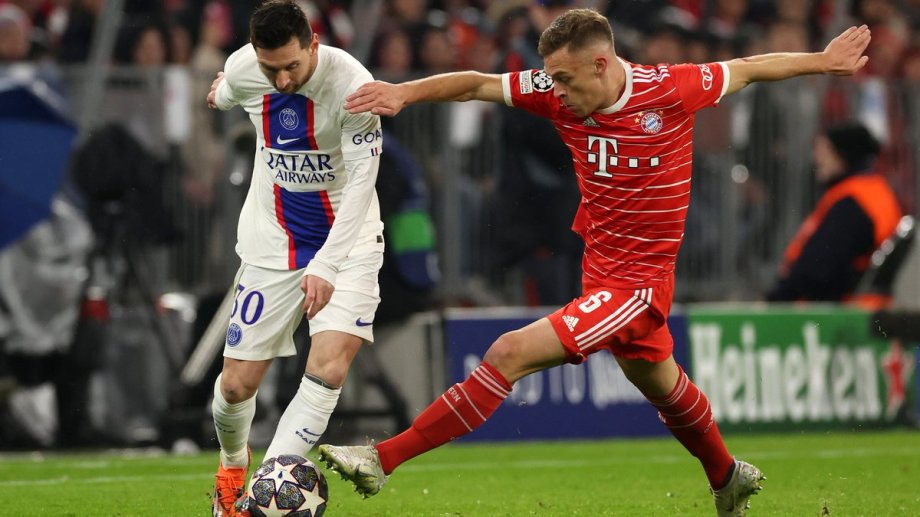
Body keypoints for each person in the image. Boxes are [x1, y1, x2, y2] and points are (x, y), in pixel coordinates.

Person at [318, 8, 872, 516]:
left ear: (601, 64)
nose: (555, 90)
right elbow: (477, 84)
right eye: (550, 78)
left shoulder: (670, 89)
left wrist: (823, 61)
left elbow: (748, 69)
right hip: (600, 273)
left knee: (508, 352)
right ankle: (728, 477)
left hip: (638, 286)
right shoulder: (554, 90)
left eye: (564, 78)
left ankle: (382, 460)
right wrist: (404, 92)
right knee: (663, 386)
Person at [204, 1, 385, 516]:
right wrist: (220, 94)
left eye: (292, 66)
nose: (282, 80)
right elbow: (226, 91)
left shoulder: (353, 86)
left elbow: (362, 184)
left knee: (328, 367)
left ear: (313, 44)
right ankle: (232, 466)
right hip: (273, 240)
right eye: (270, 69)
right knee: (235, 386)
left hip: (348, 242)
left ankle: (260, 496)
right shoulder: (246, 69)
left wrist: (327, 264)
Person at [767, 122, 902, 303]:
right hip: (863, 307)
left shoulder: (853, 203)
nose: (816, 158)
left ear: (844, 154)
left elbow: (818, 268)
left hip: (847, 311)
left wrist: (776, 299)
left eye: (824, 151)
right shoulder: (868, 191)